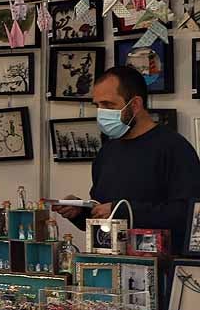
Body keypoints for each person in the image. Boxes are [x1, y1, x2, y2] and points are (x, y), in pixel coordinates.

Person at [53, 65, 200, 256]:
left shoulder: (174, 148)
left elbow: (188, 214)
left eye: (108, 105)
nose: (101, 113)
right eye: (97, 105)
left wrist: (122, 210)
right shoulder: (107, 152)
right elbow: (102, 211)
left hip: (160, 268)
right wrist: (80, 211)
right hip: (109, 267)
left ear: (135, 105)